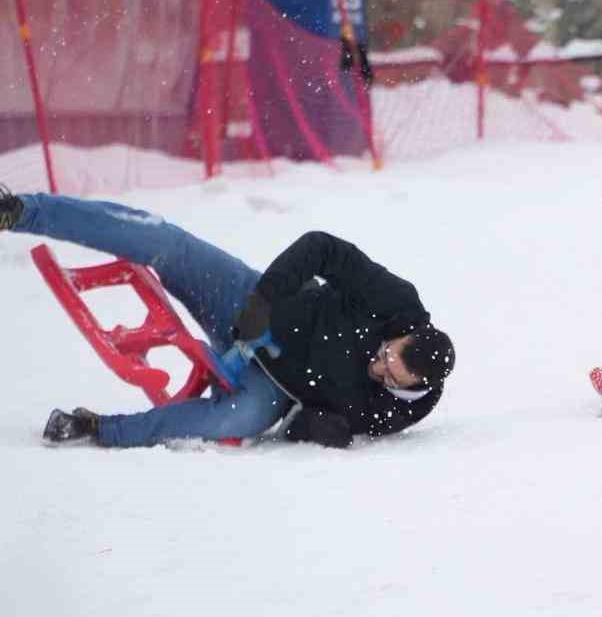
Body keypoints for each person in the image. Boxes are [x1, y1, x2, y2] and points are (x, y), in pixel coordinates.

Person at [2, 187, 454, 448]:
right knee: (167, 242)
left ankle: (99, 428)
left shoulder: (398, 409)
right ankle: (23, 211)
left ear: (411, 388)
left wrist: (315, 428)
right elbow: (322, 247)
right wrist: (260, 307)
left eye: (388, 375)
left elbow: (318, 424)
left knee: (231, 423)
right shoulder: (397, 302)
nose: (378, 366)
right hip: (253, 302)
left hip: (271, 387)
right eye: (385, 354)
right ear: (403, 335)